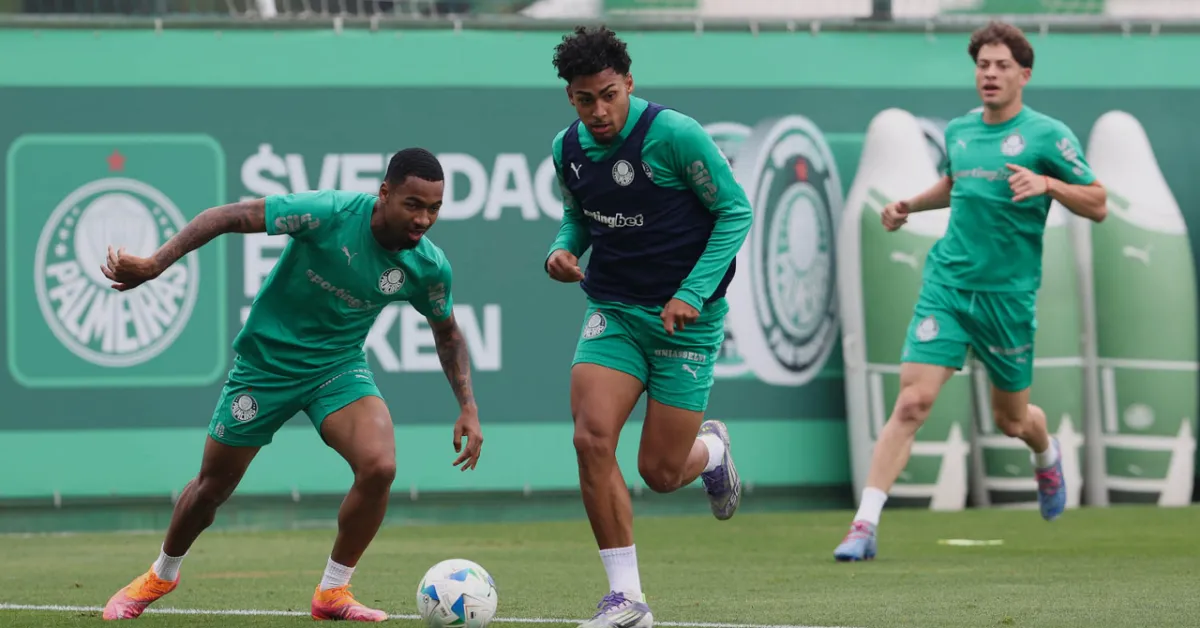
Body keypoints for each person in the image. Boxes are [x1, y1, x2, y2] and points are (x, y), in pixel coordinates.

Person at [100, 148, 484, 621]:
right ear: (384, 193)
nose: (424, 218)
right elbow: (227, 216)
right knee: (212, 487)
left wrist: (468, 407)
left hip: (337, 369)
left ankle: (332, 592)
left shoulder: (428, 266)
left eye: (435, 208)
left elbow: (447, 333)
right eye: (413, 204)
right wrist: (155, 264)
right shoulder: (328, 213)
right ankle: (162, 573)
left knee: (379, 465)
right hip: (265, 365)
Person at [833, 21, 1108, 562]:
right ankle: (863, 526)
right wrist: (910, 204)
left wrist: (1049, 184)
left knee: (1012, 421)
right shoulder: (960, 131)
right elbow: (958, 183)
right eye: (983, 64)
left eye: (1002, 65)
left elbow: (1098, 202)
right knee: (913, 402)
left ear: (1024, 74)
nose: (990, 74)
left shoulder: (1048, 136)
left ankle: (1044, 452)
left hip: (1007, 298)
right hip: (949, 285)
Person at [544, 25, 753, 628]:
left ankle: (711, 452)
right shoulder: (567, 149)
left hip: (686, 323)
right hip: (614, 311)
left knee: (660, 474)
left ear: (628, 85)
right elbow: (577, 216)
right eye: (586, 99)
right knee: (590, 438)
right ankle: (626, 598)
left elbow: (734, 211)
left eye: (609, 94)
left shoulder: (674, 135)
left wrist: (692, 291)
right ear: (571, 99)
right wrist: (562, 250)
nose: (599, 110)